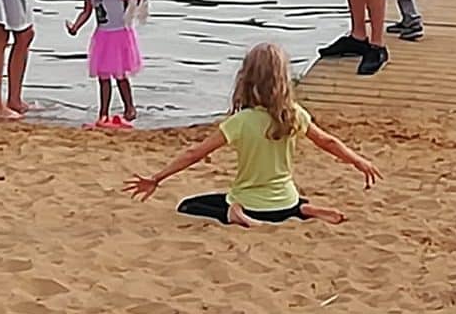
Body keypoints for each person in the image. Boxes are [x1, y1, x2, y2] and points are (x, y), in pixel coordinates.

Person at [124, 42, 381, 226]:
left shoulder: (241, 122)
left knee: (189, 205)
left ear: (246, 79)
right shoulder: (294, 114)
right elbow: (328, 141)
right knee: (286, 199)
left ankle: (233, 215)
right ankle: (303, 209)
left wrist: (157, 178)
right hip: (285, 203)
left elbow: (195, 153)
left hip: (251, 204)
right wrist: (359, 161)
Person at [67, 0, 142, 127]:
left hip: (120, 33)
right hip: (102, 34)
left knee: (120, 74)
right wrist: (76, 26)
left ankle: (129, 108)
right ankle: (103, 112)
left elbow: (130, 0)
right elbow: (87, 10)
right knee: (103, 76)